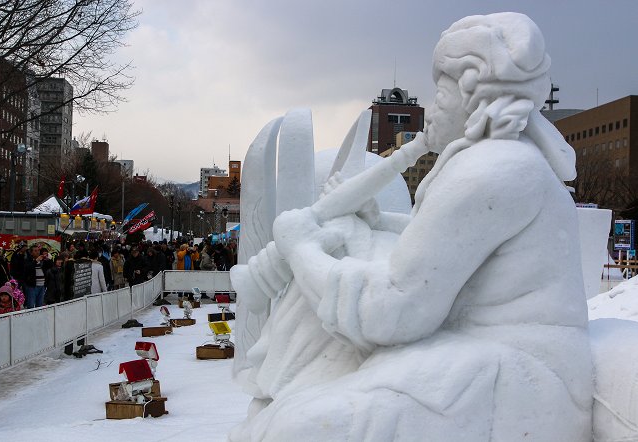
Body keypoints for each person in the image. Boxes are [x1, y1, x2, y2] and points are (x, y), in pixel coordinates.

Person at [230, 13, 592, 442]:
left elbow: (392, 310)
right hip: (487, 353)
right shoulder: (494, 161)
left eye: (441, 90)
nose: (434, 106)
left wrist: (300, 249)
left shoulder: (495, 170)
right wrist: (378, 222)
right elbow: (443, 248)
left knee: (296, 429)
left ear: (473, 86)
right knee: (347, 242)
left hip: (517, 376)